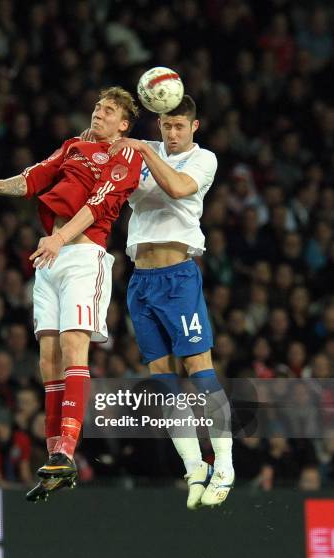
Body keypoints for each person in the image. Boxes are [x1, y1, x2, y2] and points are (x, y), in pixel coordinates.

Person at [0, 87, 142, 501]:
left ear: (124, 123)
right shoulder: (73, 147)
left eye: (110, 110)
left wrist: (60, 238)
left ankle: (67, 449)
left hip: (83, 254)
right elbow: (33, 178)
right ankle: (53, 461)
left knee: (71, 346)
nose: (99, 113)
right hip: (51, 254)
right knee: (47, 357)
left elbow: (100, 203)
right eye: (98, 107)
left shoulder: (127, 153)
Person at [107, 94, 234, 508]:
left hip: (178, 278)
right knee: (161, 377)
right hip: (139, 280)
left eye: (180, 126)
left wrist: (143, 148)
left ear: (194, 127)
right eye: (166, 126)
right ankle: (194, 465)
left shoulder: (204, 159)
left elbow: (178, 189)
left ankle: (225, 466)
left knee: (199, 369)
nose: (173, 133)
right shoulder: (143, 151)